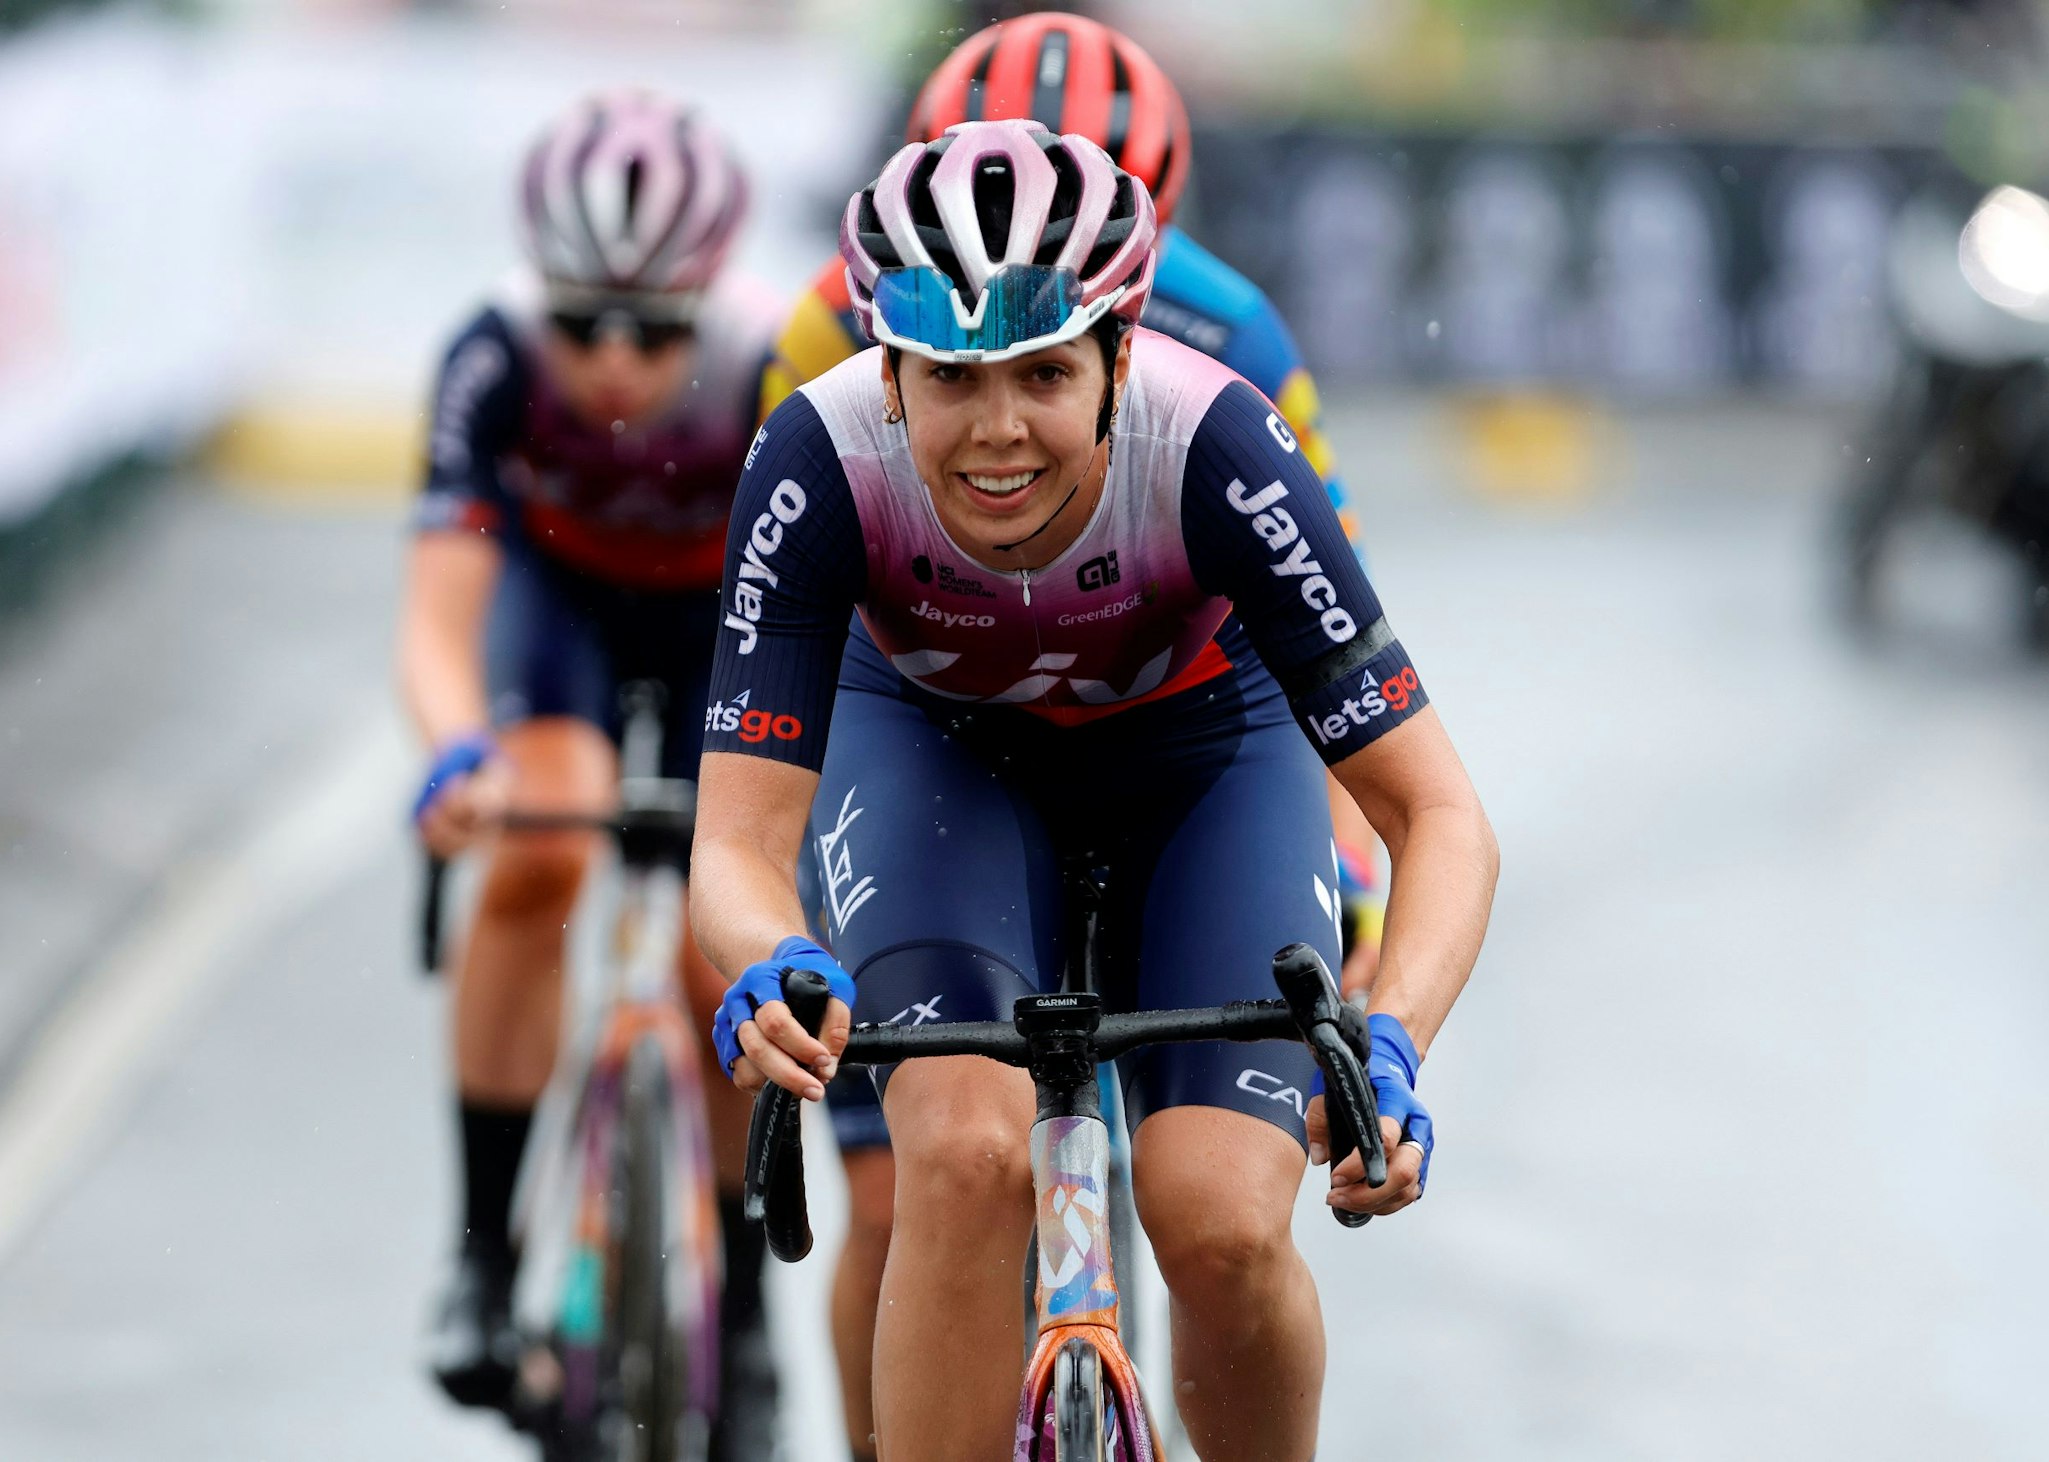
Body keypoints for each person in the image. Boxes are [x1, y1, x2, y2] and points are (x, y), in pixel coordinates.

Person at [697, 120, 1498, 1460]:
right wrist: (760, 957)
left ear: (1120, 360)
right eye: (951, 379)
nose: (997, 428)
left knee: (1222, 1224)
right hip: (934, 760)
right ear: (885, 375)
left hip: (1198, 764)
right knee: (954, 1158)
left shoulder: (1220, 444)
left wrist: (1395, 1037)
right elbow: (733, 842)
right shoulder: (814, 460)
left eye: (1043, 372)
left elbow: (1440, 817)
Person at [396, 90, 781, 1453]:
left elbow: (824, 608)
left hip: (722, 627)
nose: (614, 363)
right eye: (582, 325)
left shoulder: (768, 360)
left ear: (709, 300)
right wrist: (455, 755)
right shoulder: (487, 355)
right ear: (534, 300)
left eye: (654, 330)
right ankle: (482, 1255)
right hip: (558, 611)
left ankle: (737, 1308)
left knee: (720, 957)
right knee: (543, 845)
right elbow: (438, 616)